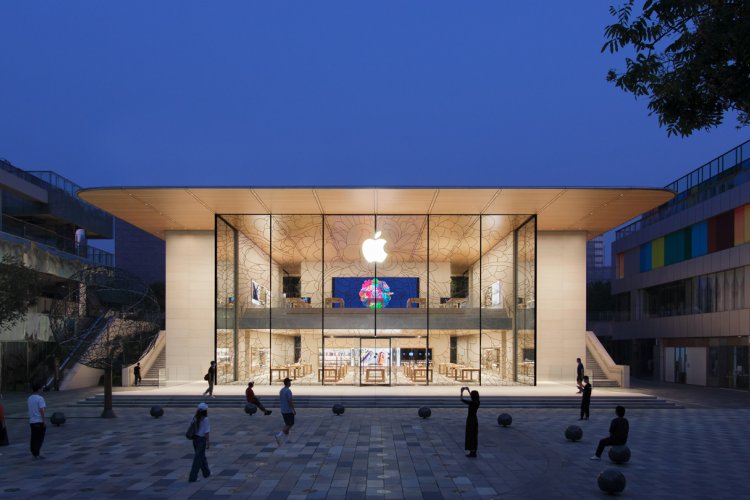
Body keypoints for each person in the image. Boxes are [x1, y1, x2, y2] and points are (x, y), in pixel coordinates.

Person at [188, 402, 211, 482]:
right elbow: (206, 432)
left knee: (201, 456)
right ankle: (192, 477)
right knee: (198, 459)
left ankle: (206, 473)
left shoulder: (194, 417)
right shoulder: (205, 419)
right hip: (201, 440)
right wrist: (208, 442)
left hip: (195, 439)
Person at [28, 383, 46, 459]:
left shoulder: (29, 398)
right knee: (39, 438)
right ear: (38, 389)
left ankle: (34, 453)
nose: (42, 389)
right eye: (41, 388)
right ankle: (36, 453)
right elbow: (41, 410)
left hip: (32, 421)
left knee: (33, 438)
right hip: (39, 421)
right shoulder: (40, 398)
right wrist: (44, 421)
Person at [275, 377, 295, 446]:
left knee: (287, 424)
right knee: (290, 424)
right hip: (288, 410)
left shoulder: (281, 390)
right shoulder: (288, 391)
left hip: (283, 410)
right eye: (289, 382)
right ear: (287, 383)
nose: (290, 383)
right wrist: (293, 409)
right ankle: (279, 435)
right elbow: (290, 401)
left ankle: (287, 439)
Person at [460, 386, 480, 458]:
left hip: (470, 420)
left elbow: (462, 400)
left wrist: (462, 392)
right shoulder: (477, 402)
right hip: (475, 419)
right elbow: (473, 398)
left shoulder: (472, 403)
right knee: (474, 435)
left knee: (470, 435)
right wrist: (468, 391)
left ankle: (472, 451)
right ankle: (473, 451)